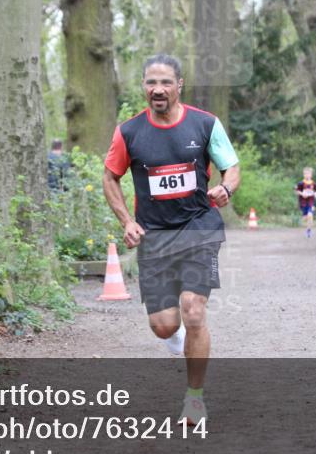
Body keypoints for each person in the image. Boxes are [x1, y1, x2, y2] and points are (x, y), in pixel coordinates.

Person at [102, 54, 240, 427]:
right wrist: (127, 221)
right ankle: (175, 335)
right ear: (144, 87)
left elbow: (231, 165)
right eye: (151, 82)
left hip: (198, 226)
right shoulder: (129, 132)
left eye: (165, 82)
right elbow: (110, 177)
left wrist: (226, 187)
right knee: (164, 325)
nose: (157, 89)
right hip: (155, 234)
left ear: (180, 85)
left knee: (194, 309)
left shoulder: (205, 124)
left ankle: (194, 398)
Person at [294, 167, 316, 238]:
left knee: (310, 215)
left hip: (311, 202)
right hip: (303, 203)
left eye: (309, 174)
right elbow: (296, 191)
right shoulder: (301, 183)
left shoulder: (313, 183)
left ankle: (309, 230)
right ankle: (304, 220)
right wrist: (302, 193)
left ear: (311, 175)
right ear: (304, 175)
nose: (307, 175)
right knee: (305, 217)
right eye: (306, 174)